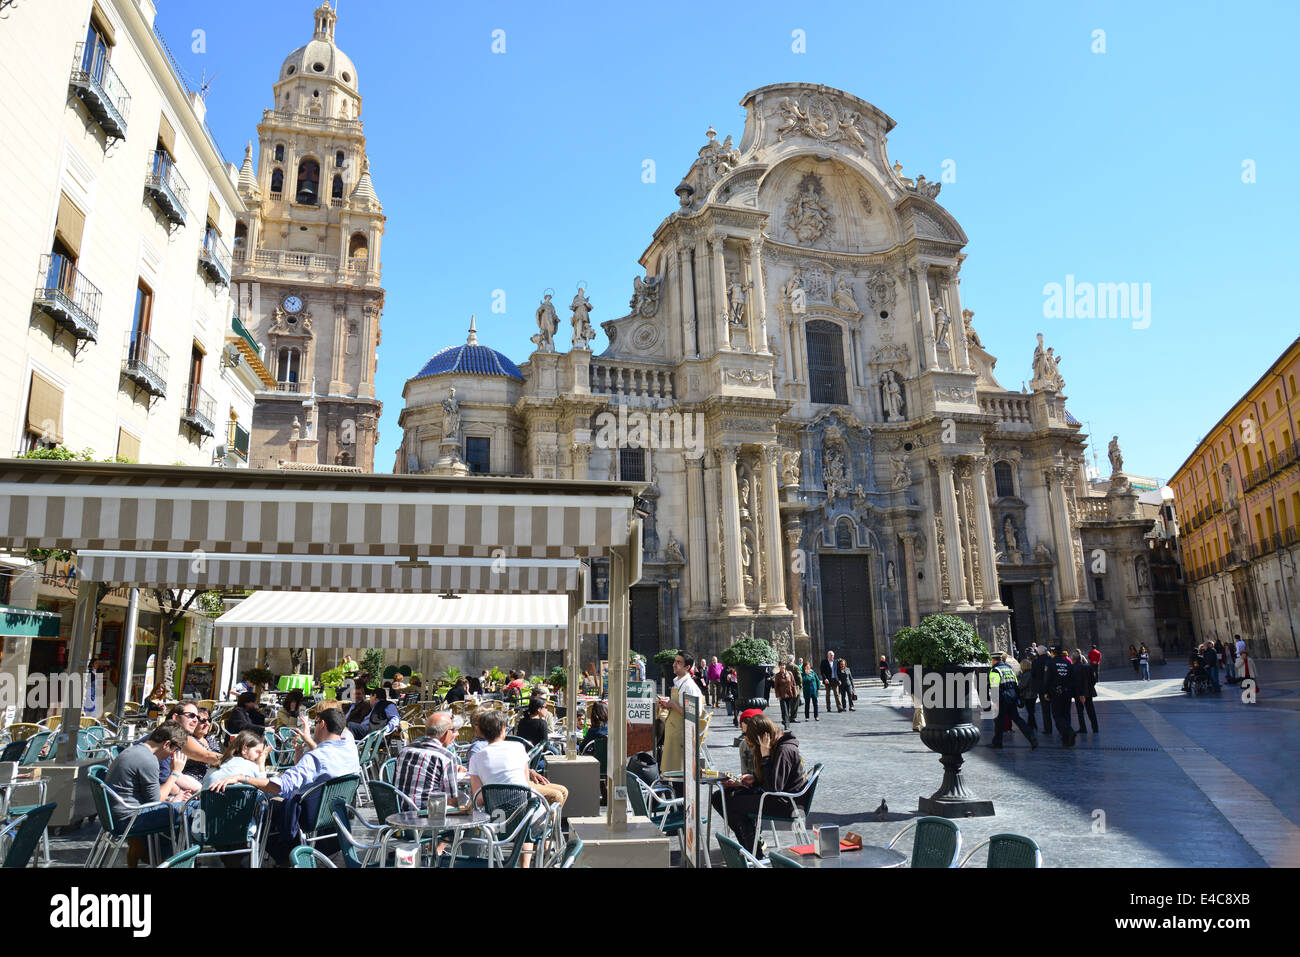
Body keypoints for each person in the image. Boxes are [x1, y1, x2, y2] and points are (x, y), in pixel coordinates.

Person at [209, 708, 361, 865]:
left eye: (315, 723)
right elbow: (322, 763)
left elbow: (279, 786)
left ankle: (243, 857)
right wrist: (300, 750)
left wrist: (243, 778)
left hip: (307, 816)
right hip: (334, 815)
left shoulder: (315, 758)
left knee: (259, 805)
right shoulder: (349, 749)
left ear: (322, 724)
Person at [713, 714, 807, 858]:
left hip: (786, 803)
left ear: (762, 737)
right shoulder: (777, 746)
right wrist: (753, 779)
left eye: (750, 738)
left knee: (732, 804)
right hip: (775, 796)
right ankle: (751, 847)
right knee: (719, 797)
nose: (748, 741)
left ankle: (754, 853)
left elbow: (773, 788)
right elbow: (773, 781)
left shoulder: (784, 750)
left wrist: (765, 755)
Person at [103, 723, 189, 866]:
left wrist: (173, 799)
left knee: (180, 807)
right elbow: (156, 801)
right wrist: (175, 773)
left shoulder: (135, 750)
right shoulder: (148, 760)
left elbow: (149, 795)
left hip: (118, 815)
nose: (173, 755)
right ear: (167, 744)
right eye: (176, 749)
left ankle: (153, 856)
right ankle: (175, 862)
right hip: (129, 819)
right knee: (191, 812)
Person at [468, 709, 567, 808]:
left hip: (500, 806)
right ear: (503, 729)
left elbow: (478, 799)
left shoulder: (475, 758)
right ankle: (546, 817)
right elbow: (526, 785)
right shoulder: (518, 747)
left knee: (563, 791)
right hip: (521, 803)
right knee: (557, 796)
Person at [394, 711, 462, 810]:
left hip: (399, 811)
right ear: (446, 733)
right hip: (429, 814)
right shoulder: (446, 757)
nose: (457, 734)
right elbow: (452, 800)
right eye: (453, 730)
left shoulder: (404, 751)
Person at [657, 651, 704, 780]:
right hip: (674, 735)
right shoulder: (679, 683)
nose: (674, 664)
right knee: (671, 775)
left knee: (679, 777)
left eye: (678, 662)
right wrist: (668, 703)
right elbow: (679, 706)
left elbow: (693, 714)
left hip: (681, 738)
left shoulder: (689, 687)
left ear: (687, 667)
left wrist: (672, 704)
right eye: (675, 661)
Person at [988, 653, 1037, 749]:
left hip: (1002, 697)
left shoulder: (995, 670)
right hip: (1012, 696)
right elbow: (1016, 683)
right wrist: (1018, 697)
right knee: (1017, 719)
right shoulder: (1009, 669)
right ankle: (1031, 736)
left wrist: (995, 702)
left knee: (998, 720)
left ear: (994, 660)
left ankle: (997, 743)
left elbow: (994, 687)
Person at [167, 703, 222, 789]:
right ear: (176, 717)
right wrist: (233, 759)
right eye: (202, 720)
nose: (207, 724)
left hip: (212, 780)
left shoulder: (210, 739)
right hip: (194, 782)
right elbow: (207, 756)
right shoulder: (184, 739)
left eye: (209, 720)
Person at [1043, 646, 1083, 746]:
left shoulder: (1050, 663)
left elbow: (1047, 679)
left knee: (1057, 715)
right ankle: (1067, 740)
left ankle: (1069, 732)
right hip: (1067, 691)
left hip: (1056, 692)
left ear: (1053, 652)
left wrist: (1046, 692)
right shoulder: (1067, 663)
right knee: (1066, 714)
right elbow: (1073, 678)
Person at [204, 730, 269, 789]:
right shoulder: (252, 766)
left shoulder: (215, 766)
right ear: (245, 750)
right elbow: (264, 788)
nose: (260, 756)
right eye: (258, 752)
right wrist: (261, 765)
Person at [1073, 652, 1100, 735]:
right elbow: (1094, 679)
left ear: (1073, 659)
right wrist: (1089, 687)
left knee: (1080, 711)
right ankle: (1095, 728)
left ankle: (1083, 728)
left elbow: (1077, 682)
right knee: (1091, 710)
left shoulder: (1074, 668)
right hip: (1088, 692)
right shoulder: (1088, 667)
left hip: (1079, 693)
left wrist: (1081, 694)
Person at [1030, 646, 1053, 735]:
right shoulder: (1051, 660)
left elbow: (1033, 675)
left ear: (1038, 652)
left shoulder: (1036, 661)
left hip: (1042, 689)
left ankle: (1048, 728)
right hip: (1052, 687)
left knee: (1045, 709)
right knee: (1056, 709)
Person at [773, 661, 800, 730]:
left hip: (789, 694)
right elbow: (776, 687)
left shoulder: (790, 673)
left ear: (785, 666)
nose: (782, 666)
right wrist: (778, 695)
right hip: (782, 695)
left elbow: (793, 684)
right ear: (779, 666)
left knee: (787, 710)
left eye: (783, 665)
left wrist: (795, 693)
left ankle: (784, 720)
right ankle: (786, 724)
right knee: (784, 710)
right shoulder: (777, 675)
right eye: (781, 665)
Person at [1017, 659, 1037, 731]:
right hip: (1033, 694)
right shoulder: (1031, 673)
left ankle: (1031, 725)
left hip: (1028, 695)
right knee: (1031, 710)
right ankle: (1032, 724)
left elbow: (1022, 685)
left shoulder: (1026, 674)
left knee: (1030, 711)